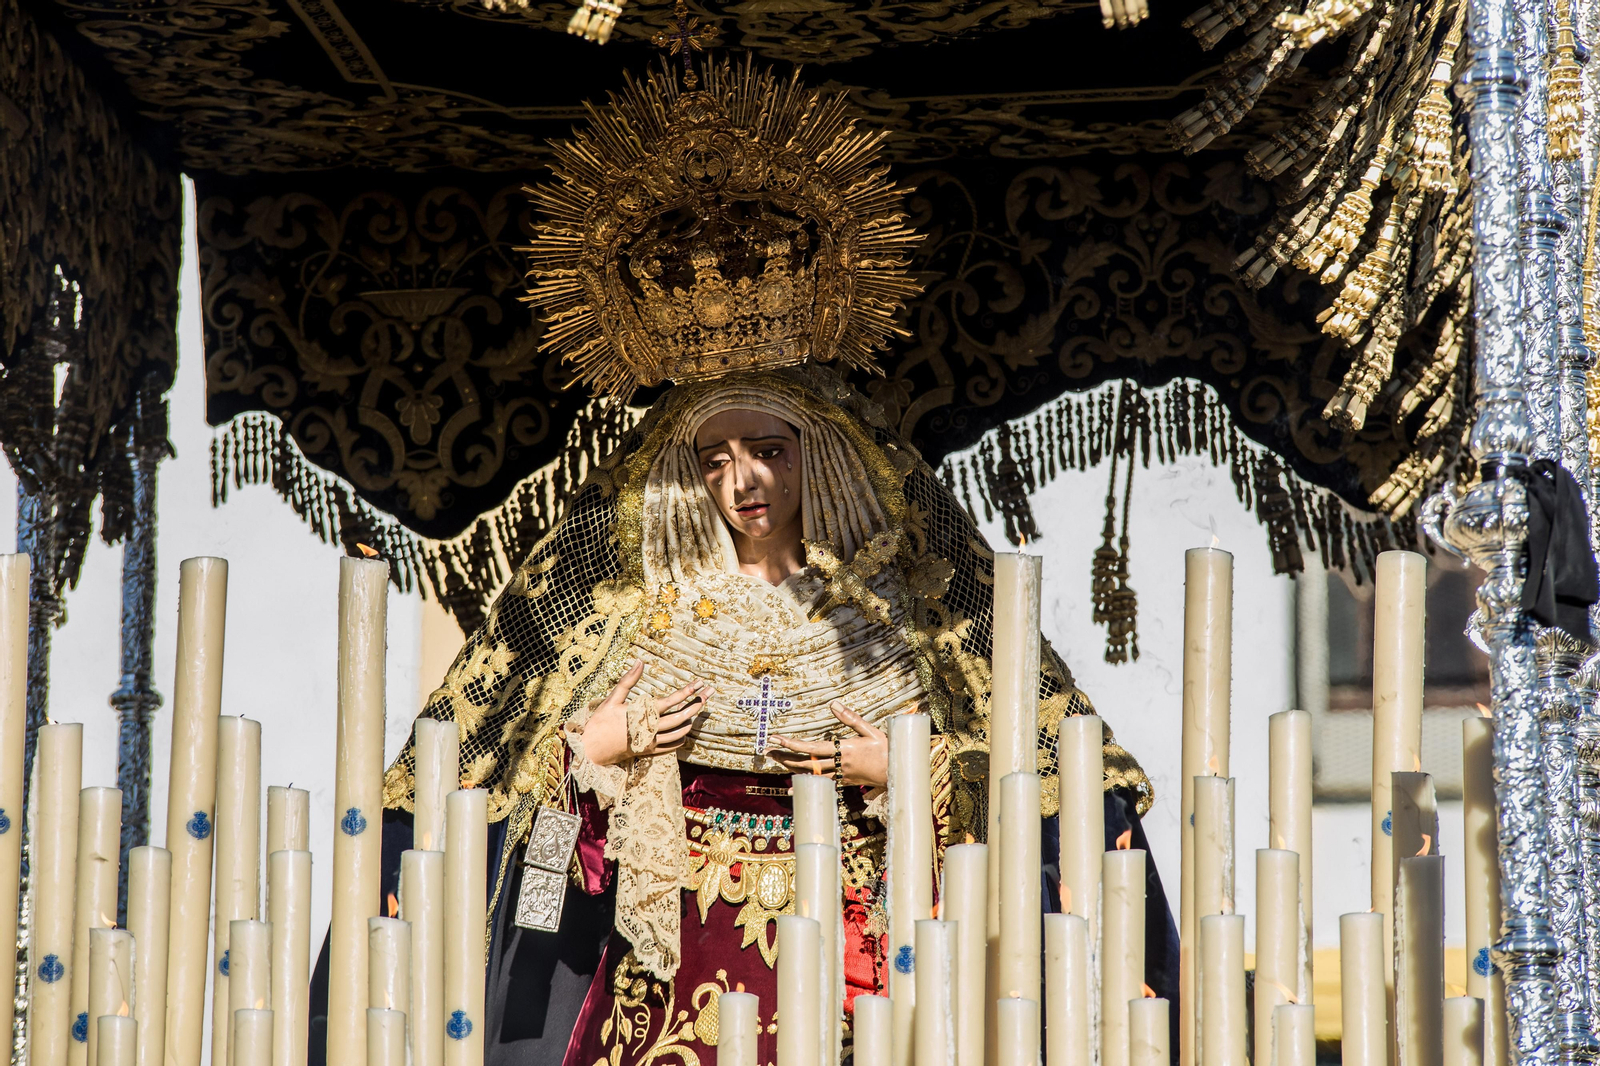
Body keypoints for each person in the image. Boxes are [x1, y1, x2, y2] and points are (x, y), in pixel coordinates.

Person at [358, 58, 1179, 1066]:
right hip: (661, 987)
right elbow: (531, 904)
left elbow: (1032, 818)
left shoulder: (909, 614)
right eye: (715, 459)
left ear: (818, 454)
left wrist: (912, 772)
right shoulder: (625, 615)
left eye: (769, 451)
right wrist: (588, 759)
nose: (743, 480)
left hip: (861, 978)